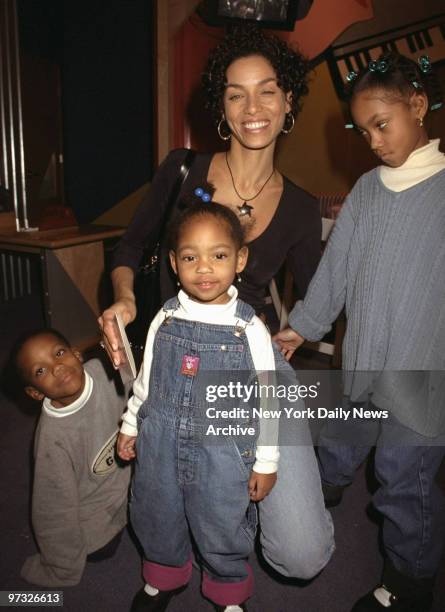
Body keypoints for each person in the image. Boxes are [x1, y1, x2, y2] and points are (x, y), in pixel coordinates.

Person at [100, 24, 334, 582]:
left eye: (268, 90)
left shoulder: (301, 208)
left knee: (300, 557)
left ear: (288, 101)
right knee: (165, 491)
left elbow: (319, 291)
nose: (253, 106)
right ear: (222, 108)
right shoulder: (185, 171)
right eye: (236, 93)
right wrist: (126, 299)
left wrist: (294, 333)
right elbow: (130, 245)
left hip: (253, 361)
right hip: (173, 348)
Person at [274, 52, 445, 612]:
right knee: (342, 434)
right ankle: (326, 487)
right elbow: (338, 266)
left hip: (422, 372)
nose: (372, 139)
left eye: (382, 124)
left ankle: (409, 584)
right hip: (362, 359)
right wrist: (303, 325)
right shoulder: (369, 189)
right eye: (362, 128)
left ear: (418, 108)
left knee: (404, 484)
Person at [13, 329, 131, 587]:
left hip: (131, 474)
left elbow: (138, 385)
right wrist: (61, 565)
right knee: (100, 549)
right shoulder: (52, 441)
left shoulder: (104, 371)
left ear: (77, 354)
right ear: (35, 393)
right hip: (95, 504)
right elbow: (53, 509)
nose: (56, 367)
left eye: (59, 353)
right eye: (40, 371)